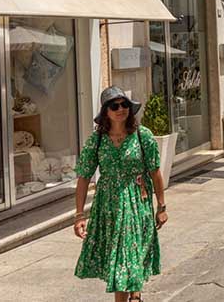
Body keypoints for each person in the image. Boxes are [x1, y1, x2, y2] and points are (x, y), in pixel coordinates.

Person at [74, 87, 167, 302]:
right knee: (123, 255)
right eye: (114, 106)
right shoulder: (96, 140)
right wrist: (79, 215)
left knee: (127, 252)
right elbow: (83, 178)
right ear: (106, 111)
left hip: (137, 201)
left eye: (124, 104)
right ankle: (135, 294)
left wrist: (162, 207)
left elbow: (155, 172)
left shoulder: (143, 136)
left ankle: (132, 296)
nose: (120, 109)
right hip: (108, 205)